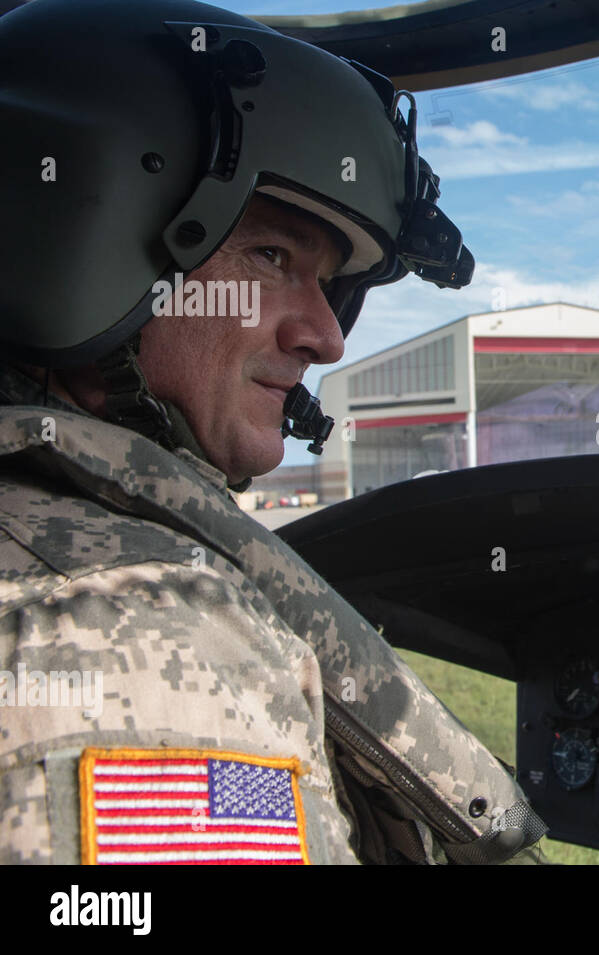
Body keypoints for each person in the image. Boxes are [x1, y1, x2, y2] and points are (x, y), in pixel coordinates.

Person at [0, 0, 547, 864]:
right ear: (79, 230)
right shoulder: (142, 630)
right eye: (271, 258)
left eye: (329, 284)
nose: (325, 335)